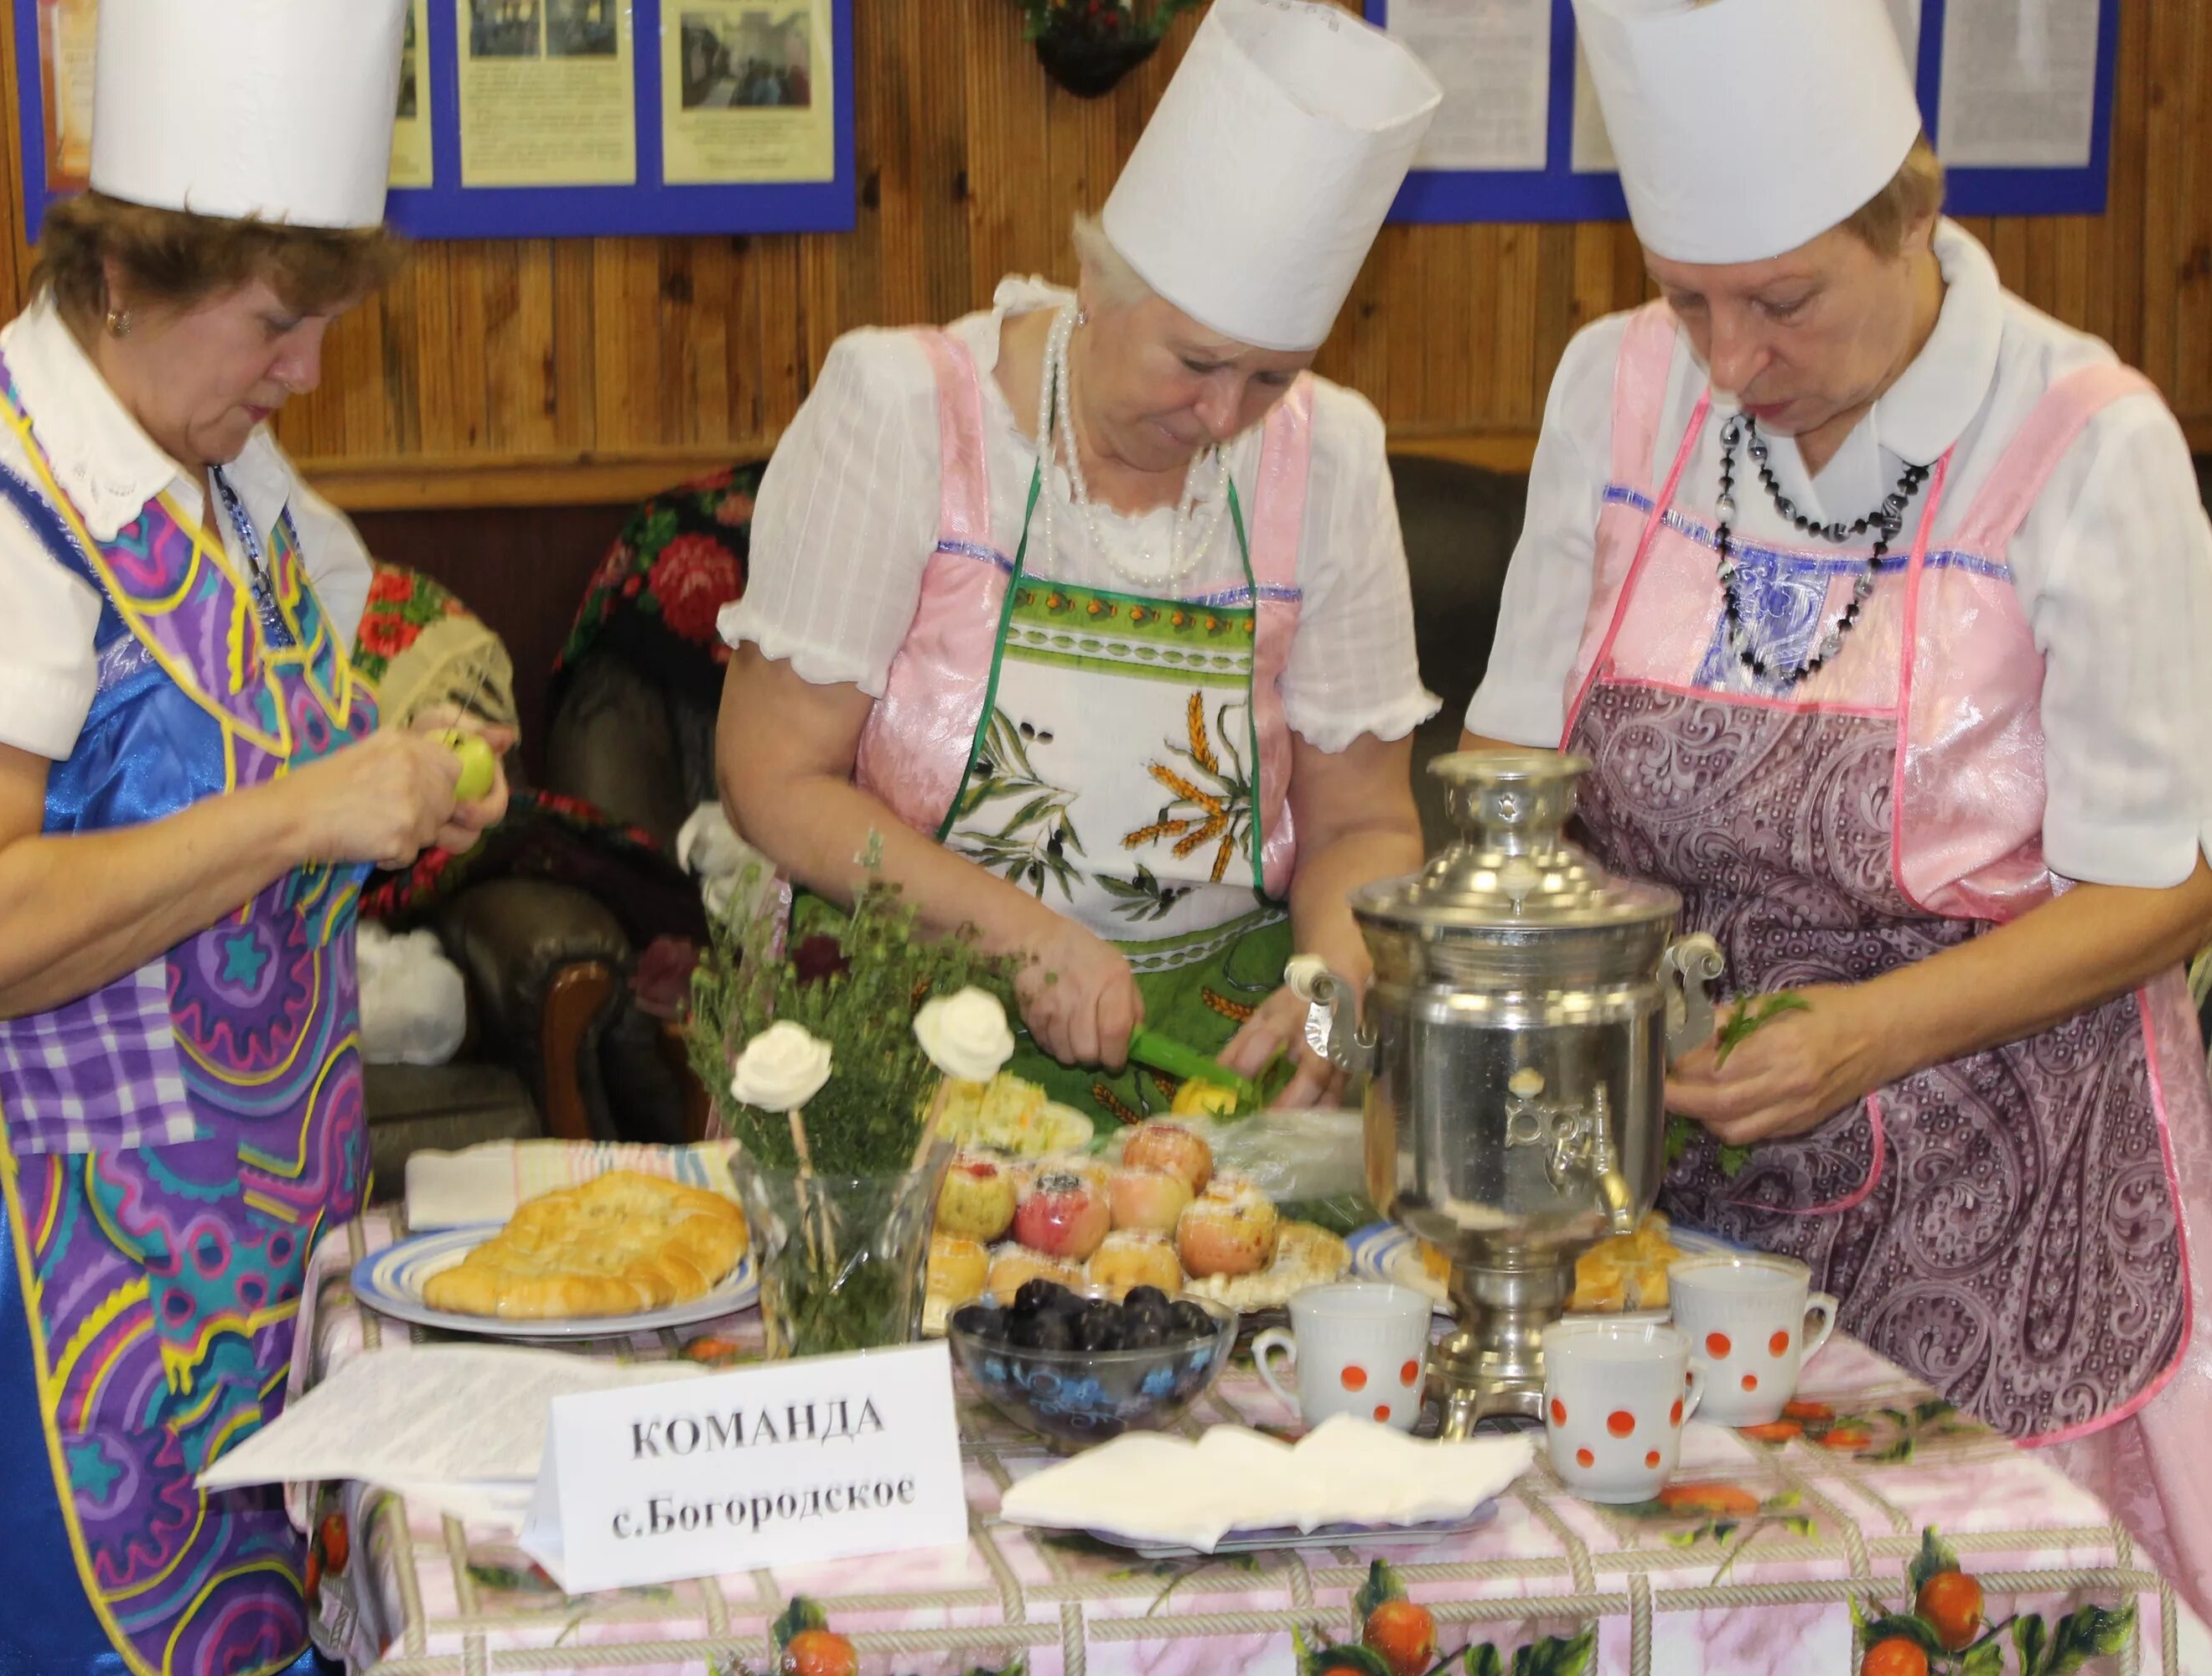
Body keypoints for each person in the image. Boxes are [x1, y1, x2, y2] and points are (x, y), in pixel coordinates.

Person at [0, 3, 510, 1670]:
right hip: (26, 1289)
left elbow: (304, 686)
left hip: (229, 1246)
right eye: (276, 324)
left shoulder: (223, 471)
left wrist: (409, 761)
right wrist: (302, 812)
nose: (305, 372)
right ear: (119, 279)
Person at [1463, 0, 2212, 1611]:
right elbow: (1515, 773)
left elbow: (2163, 884)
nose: (1732, 362)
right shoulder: (1619, 388)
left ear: (1912, 221)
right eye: (1689, 299)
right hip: (1670, 1193)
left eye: (1784, 302)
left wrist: (1866, 1036)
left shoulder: (2087, 446)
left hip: (2008, 1219)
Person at [717, 0, 1440, 1125]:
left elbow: (1365, 826)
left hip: (1215, 1044)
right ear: (1097, 284)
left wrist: (1337, 980)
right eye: (1194, 362)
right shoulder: (906, 413)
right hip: (909, 1019)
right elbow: (770, 777)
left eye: (1269, 378)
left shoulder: (1331, 457)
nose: (1223, 415)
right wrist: (1021, 936)